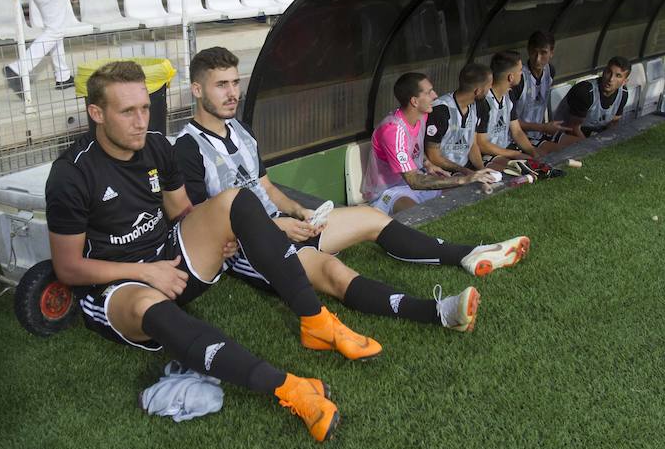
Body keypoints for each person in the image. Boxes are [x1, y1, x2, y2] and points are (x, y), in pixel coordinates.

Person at [46, 62, 379, 443]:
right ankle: (291, 389)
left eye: (145, 108)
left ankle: (315, 321)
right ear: (97, 114)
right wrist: (146, 273)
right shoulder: (71, 175)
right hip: (121, 285)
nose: (141, 121)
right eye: (127, 112)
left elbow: (182, 212)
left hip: (168, 261)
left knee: (235, 200)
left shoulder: (156, 146)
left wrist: (221, 231)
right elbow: (68, 268)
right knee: (146, 308)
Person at [174, 48, 530, 333]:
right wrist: (276, 227)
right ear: (196, 90)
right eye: (221, 85)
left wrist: (299, 212)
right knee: (331, 271)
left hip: (284, 223)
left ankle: (469, 253)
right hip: (251, 248)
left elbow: (266, 185)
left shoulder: (241, 130)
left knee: (372, 217)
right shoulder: (187, 148)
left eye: (235, 82)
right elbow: (210, 221)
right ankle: (438, 312)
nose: (232, 93)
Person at [364, 71, 496, 214]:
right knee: (421, 217)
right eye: (429, 92)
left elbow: (414, 148)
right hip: (391, 191)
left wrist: (427, 163)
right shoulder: (393, 131)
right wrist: (463, 179)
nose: (435, 95)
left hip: (418, 180)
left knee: (468, 196)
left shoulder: (422, 116)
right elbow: (414, 181)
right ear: (414, 101)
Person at [510, 30, 578, 151]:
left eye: (543, 53)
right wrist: (542, 127)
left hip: (541, 131)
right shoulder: (519, 79)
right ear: (528, 50)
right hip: (522, 137)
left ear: (552, 52)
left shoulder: (550, 70)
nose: (537, 59)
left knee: (580, 145)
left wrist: (545, 128)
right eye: (534, 52)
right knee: (559, 152)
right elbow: (511, 123)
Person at [425, 63, 492, 175]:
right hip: (440, 172)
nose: (490, 88)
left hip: (463, 169)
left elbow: (472, 144)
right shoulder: (440, 110)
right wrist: (466, 172)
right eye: (489, 85)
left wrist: (482, 171)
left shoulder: (479, 106)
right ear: (478, 91)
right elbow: (433, 156)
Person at [475, 51, 539, 166]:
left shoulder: (509, 95)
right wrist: (514, 154)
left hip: (506, 149)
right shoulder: (483, 101)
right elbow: (482, 144)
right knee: (522, 169)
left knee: (541, 159)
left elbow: (517, 131)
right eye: (520, 70)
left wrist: (534, 154)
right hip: (487, 155)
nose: (522, 73)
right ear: (511, 77)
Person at [557, 56, 630, 138]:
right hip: (566, 134)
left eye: (618, 76)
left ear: (624, 81)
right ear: (604, 71)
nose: (611, 79)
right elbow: (572, 128)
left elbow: (614, 122)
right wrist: (592, 146)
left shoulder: (623, 94)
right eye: (609, 72)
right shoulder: (585, 92)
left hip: (594, 134)